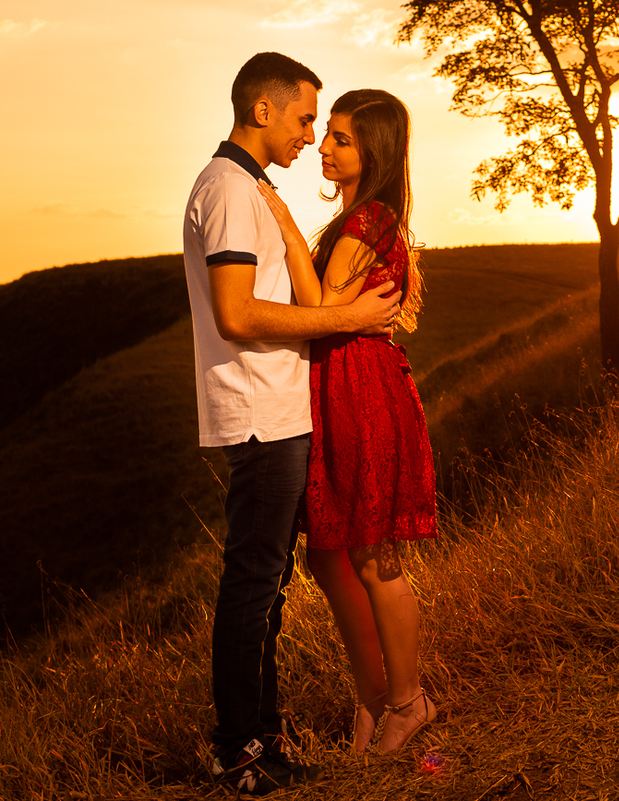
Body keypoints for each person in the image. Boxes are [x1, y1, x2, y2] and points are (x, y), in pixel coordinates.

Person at [183, 53, 402, 795]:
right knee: (253, 586)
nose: (312, 133)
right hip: (261, 413)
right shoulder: (231, 189)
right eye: (307, 118)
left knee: (265, 587)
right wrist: (344, 318)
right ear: (264, 109)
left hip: (278, 409)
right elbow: (237, 312)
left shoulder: (249, 189)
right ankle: (239, 753)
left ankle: (260, 744)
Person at [256, 88, 438, 755]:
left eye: (340, 138)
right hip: (338, 389)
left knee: (371, 557)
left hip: (360, 392)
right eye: (325, 134)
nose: (324, 148)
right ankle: (370, 698)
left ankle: (408, 700)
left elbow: (322, 304)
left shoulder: (369, 220)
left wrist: (278, 217)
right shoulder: (363, 219)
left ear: (375, 151)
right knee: (328, 556)